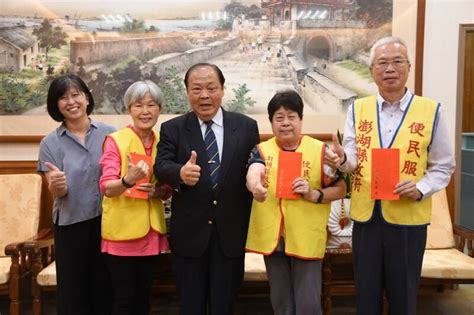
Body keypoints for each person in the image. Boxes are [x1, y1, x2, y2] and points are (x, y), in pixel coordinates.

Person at [327, 36, 455, 315]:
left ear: (408, 67)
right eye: (382, 63)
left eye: (397, 62)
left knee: (404, 297)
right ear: (372, 70)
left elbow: (444, 165)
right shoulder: (357, 110)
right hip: (366, 218)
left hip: (408, 219)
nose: (390, 69)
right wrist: (342, 159)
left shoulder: (431, 110)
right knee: (366, 296)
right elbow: (352, 159)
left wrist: (421, 187)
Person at [154, 63, 260, 315]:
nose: (204, 95)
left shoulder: (246, 126)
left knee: (225, 305)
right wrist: (179, 173)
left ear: (222, 90)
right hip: (189, 235)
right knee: (191, 306)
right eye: (197, 89)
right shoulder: (173, 128)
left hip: (230, 234)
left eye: (211, 88)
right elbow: (161, 165)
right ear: (187, 93)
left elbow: (255, 163)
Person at [245, 90, 346, 315]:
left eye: (291, 117)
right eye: (279, 118)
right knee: (281, 302)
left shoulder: (320, 151)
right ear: (271, 122)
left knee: (308, 304)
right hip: (273, 237)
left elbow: (341, 189)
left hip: (306, 236)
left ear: (301, 120)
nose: (286, 123)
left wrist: (314, 194)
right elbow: (253, 171)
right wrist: (255, 187)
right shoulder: (261, 150)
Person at [38, 74, 115, 315]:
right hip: (71, 225)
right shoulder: (49, 143)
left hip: (108, 223)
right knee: (73, 294)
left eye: (75, 94)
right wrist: (58, 184)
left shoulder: (110, 134)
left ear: (86, 98)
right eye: (62, 98)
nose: (71, 102)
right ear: (55, 105)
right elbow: (55, 189)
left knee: (105, 289)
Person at [100, 80, 170, 315]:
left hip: (151, 233)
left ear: (160, 109)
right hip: (122, 234)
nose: (145, 111)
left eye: (151, 105)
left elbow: (167, 188)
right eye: (138, 105)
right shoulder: (115, 140)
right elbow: (107, 188)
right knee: (123, 300)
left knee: (145, 297)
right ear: (129, 109)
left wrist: (159, 192)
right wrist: (127, 180)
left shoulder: (164, 141)